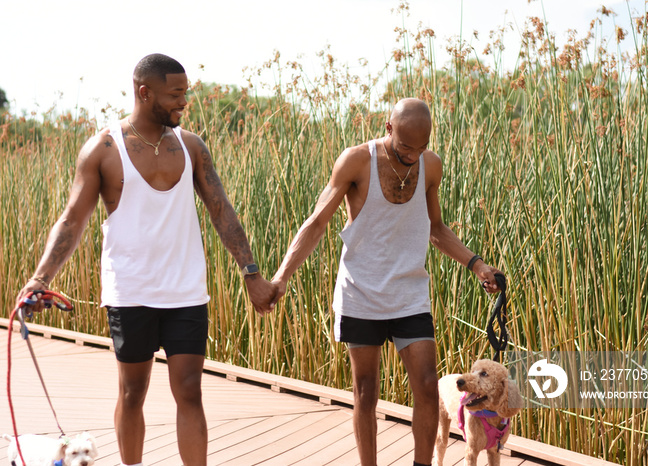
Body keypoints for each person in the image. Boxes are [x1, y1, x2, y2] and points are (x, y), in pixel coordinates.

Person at [15, 53, 277, 466]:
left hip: (185, 290)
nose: (183, 102)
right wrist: (39, 279)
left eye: (184, 94)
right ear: (144, 92)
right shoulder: (103, 149)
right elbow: (72, 221)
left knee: (190, 388)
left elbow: (221, 210)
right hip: (130, 290)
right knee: (132, 392)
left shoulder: (191, 146)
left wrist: (252, 274)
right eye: (175, 95)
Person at [270, 97, 504, 466]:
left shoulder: (431, 166)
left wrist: (477, 264)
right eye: (406, 147)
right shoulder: (356, 161)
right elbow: (316, 222)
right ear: (388, 128)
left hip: (409, 293)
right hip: (360, 292)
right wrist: (282, 275)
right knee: (366, 391)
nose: (413, 155)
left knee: (427, 386)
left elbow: (436, 228)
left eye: (421, 147)